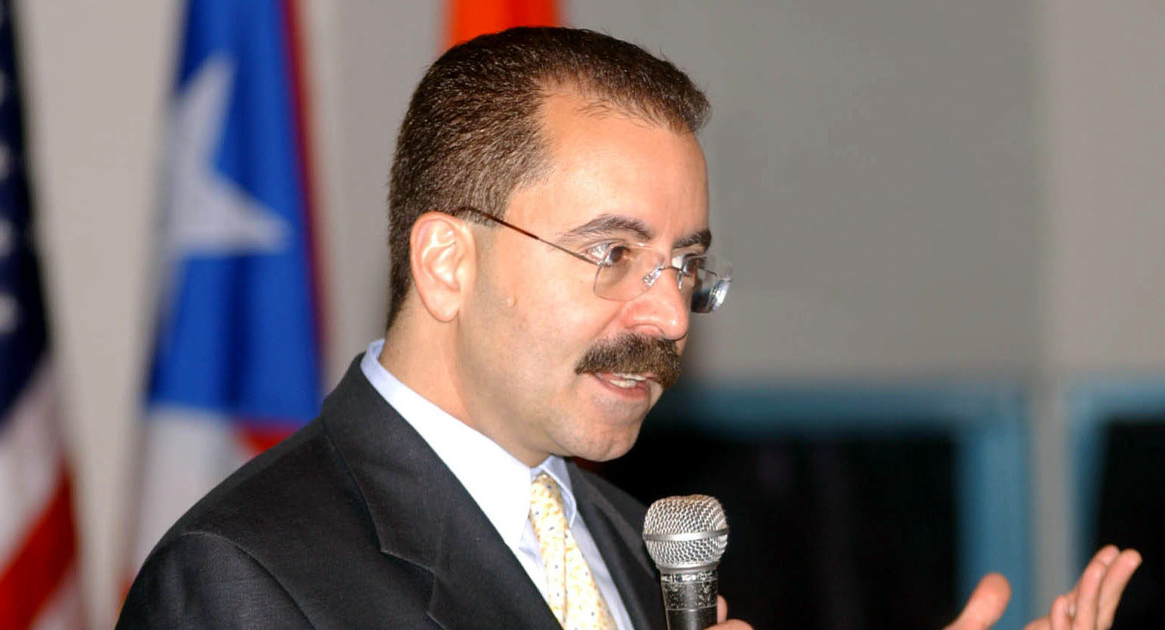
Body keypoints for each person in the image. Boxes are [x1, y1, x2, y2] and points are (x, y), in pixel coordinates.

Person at [117, 27, 1139, 630]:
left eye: (685, 265)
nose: (667, 318)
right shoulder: (245, 576)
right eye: (611, 252)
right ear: (446, 263)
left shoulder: (642, 544)